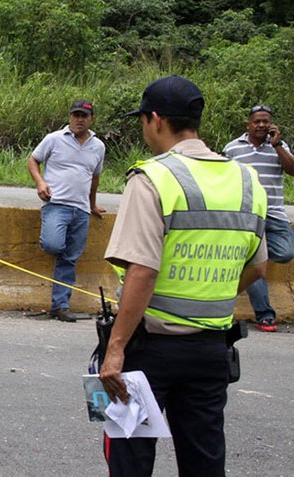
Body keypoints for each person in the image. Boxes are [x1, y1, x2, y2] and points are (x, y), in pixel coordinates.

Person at [99, 75, 268, 476]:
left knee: (131, 458)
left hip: (148, 349)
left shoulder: (152, 177)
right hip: (211, 349)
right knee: (204, 461)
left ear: (155, 119)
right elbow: (260, 266)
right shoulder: (247, 181)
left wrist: (116, 348)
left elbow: (142, 270)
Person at [26, 99, 106, 322]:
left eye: (84, 116)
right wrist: (40, 183)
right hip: (57, 204)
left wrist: (92, 204)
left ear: (91, 119)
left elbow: (95, 177)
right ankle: (59, 302)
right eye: (75, 115)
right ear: (70, 117)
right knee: (53, 244)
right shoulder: (54, 139)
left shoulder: (98, 146)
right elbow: (32, 160)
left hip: (81, 209)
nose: (79, 119)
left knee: (70, 259)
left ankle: (60, 305)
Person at [222, 105, 294, 332]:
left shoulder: (279, 147)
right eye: (257, 121)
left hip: (273, 213)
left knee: (286, 252)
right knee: (256, 259)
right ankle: (265, 316)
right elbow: (223, 177)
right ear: (248, 124)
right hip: (247, 214)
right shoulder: (233, 148)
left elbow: (292, 170)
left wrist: (278, 145)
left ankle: (246, 259)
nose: (262, 125)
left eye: (266, 121)